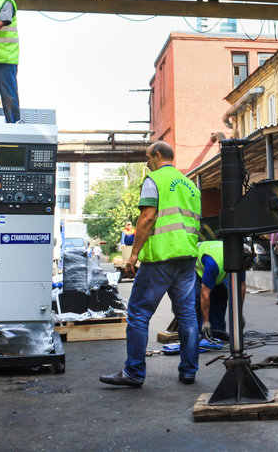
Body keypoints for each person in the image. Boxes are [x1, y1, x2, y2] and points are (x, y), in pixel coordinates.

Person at [100, 141, 201, 387]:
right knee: (187, 316)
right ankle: (189, 371)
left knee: (138, 313)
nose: (146, 162)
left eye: (148, 157)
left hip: (160, 258)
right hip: (186, 257)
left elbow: (147, 217)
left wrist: (133, 255)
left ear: (157, 155)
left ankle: (134, 372)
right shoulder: (190, 185)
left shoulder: (154, 180)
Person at [196, 239, 246, 342]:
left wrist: (239, 313)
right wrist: (206, 321)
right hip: (194, 267)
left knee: (221, 294)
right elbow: (205, 294)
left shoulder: (240, 262)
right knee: (196, 298)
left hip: (215, 266)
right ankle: (199, 333)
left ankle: (217, 332)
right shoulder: (213, 264)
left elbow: (241, 287)